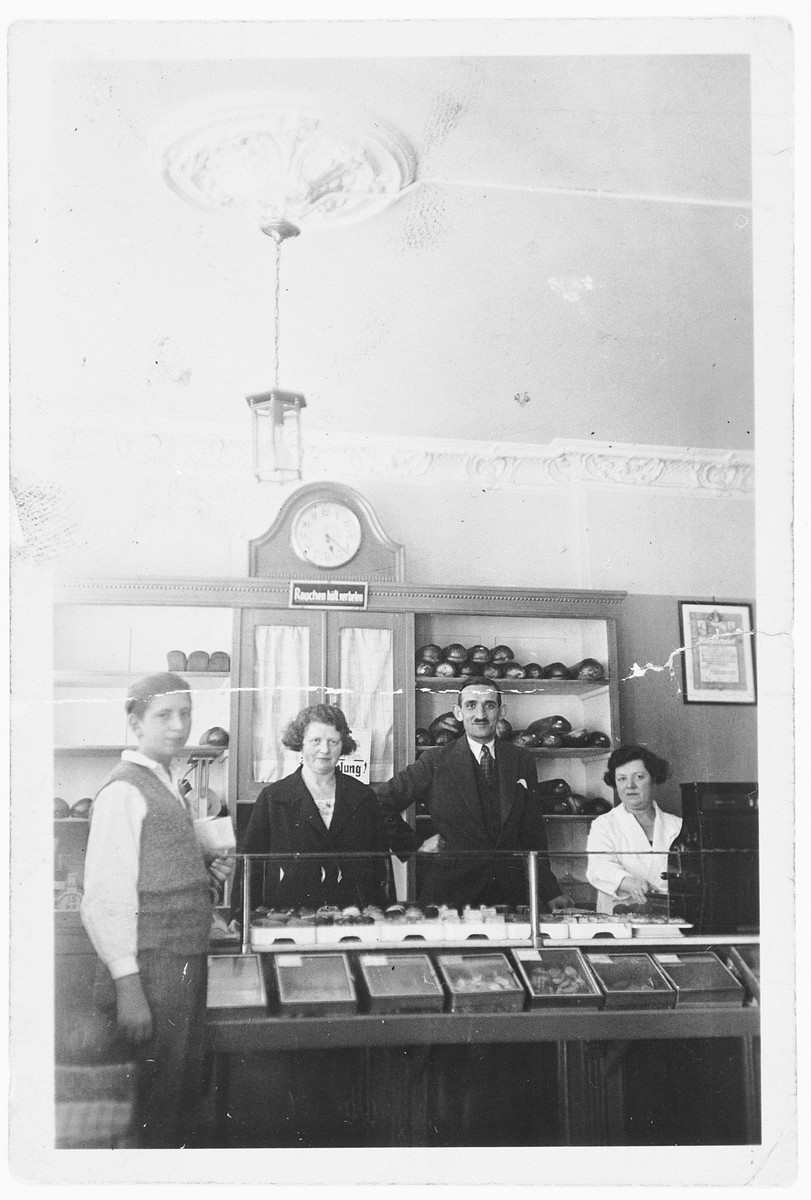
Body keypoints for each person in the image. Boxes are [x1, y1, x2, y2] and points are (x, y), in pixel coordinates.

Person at [79, 672, 233, 1148]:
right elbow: (104, 898)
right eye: (164, 715)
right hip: (152, 971)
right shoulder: (124, 789)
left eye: (185, 713)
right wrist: (128, 985)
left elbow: (156, 876)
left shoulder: (165, 780)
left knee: (175, 1096)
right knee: (151, 1108)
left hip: (180, 964)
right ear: (135, 722)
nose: (178, 725)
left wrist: (202, 874)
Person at [378, 677, 574, 910]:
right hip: (451, 894)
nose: (480, 714)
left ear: (501, 712)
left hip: (510, 893)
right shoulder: (434, 760)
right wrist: (414, 843)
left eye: (489, 705)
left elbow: (533, 832)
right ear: (458, 712)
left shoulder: (521, 760)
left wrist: (550, 891)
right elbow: (379, 803)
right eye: (471, 705)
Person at [231, 703, 389, 916]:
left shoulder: (363, 797)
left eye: (333, 741)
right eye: (316, 741)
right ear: (300, 743)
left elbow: (380, 866)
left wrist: (385, 914)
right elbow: (250, 865)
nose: (325, 750)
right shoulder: (273, 798)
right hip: (289, 917)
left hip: (351, 917)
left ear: (343, 745)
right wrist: (241, 915)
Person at [586, 744, 683, 913]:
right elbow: (599, 868)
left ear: (653, 779)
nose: (629, 785)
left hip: (670, 920)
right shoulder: (604, 825)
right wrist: (627, 882)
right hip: (620, 921)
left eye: (638, 777)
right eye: (622, 779)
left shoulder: (677, 825)